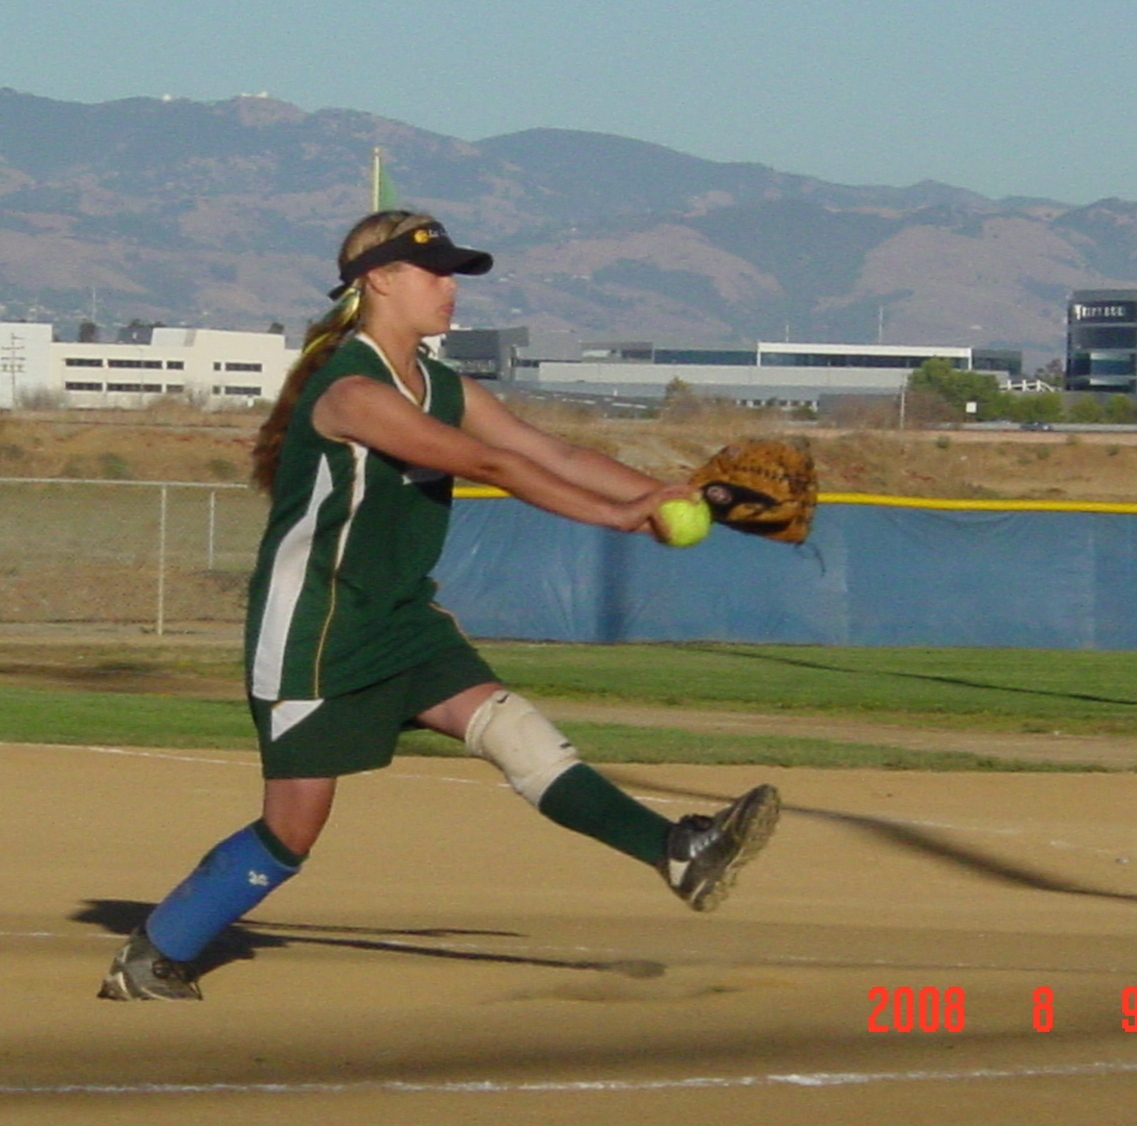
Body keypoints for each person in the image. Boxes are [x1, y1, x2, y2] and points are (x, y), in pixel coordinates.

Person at [98, 209, 781, 1001]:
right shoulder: (352, 391)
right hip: (316, 630)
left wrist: (668, 493)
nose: (449, 287)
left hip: (398, 617)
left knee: (510, 726)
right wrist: (622, 518)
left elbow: (548, 451)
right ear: (378, 279)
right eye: (434, 272)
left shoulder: (438, 382)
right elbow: (491, 461)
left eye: (452, 273)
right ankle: (152, 954)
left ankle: (674, 850)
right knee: (292, 829)